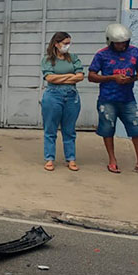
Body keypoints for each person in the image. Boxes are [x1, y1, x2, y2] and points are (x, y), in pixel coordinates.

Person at [88, 23, 138, 178]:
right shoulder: (102, 55)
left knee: (137, 129)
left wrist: (134, 77)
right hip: (107, 99)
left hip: (128, 99)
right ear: (110, 42)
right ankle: (112, 160)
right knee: (108, 130)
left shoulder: (134, 51)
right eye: (118, 43)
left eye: (124, 42)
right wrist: (112, 77)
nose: (122, 46)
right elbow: (91, 76)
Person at [40, 32, 84, 171]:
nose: (67, 46)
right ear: (56, 44)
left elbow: (80, 76)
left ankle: (71, 159)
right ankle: (49, 158)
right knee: (50, 128)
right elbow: (50, 78)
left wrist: (61, 77)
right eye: (65, 43)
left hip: (71, 96)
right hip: (53, 95)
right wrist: (70, 76)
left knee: (69, 129)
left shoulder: (73, 58)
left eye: (69, 43)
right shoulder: (47, 59)